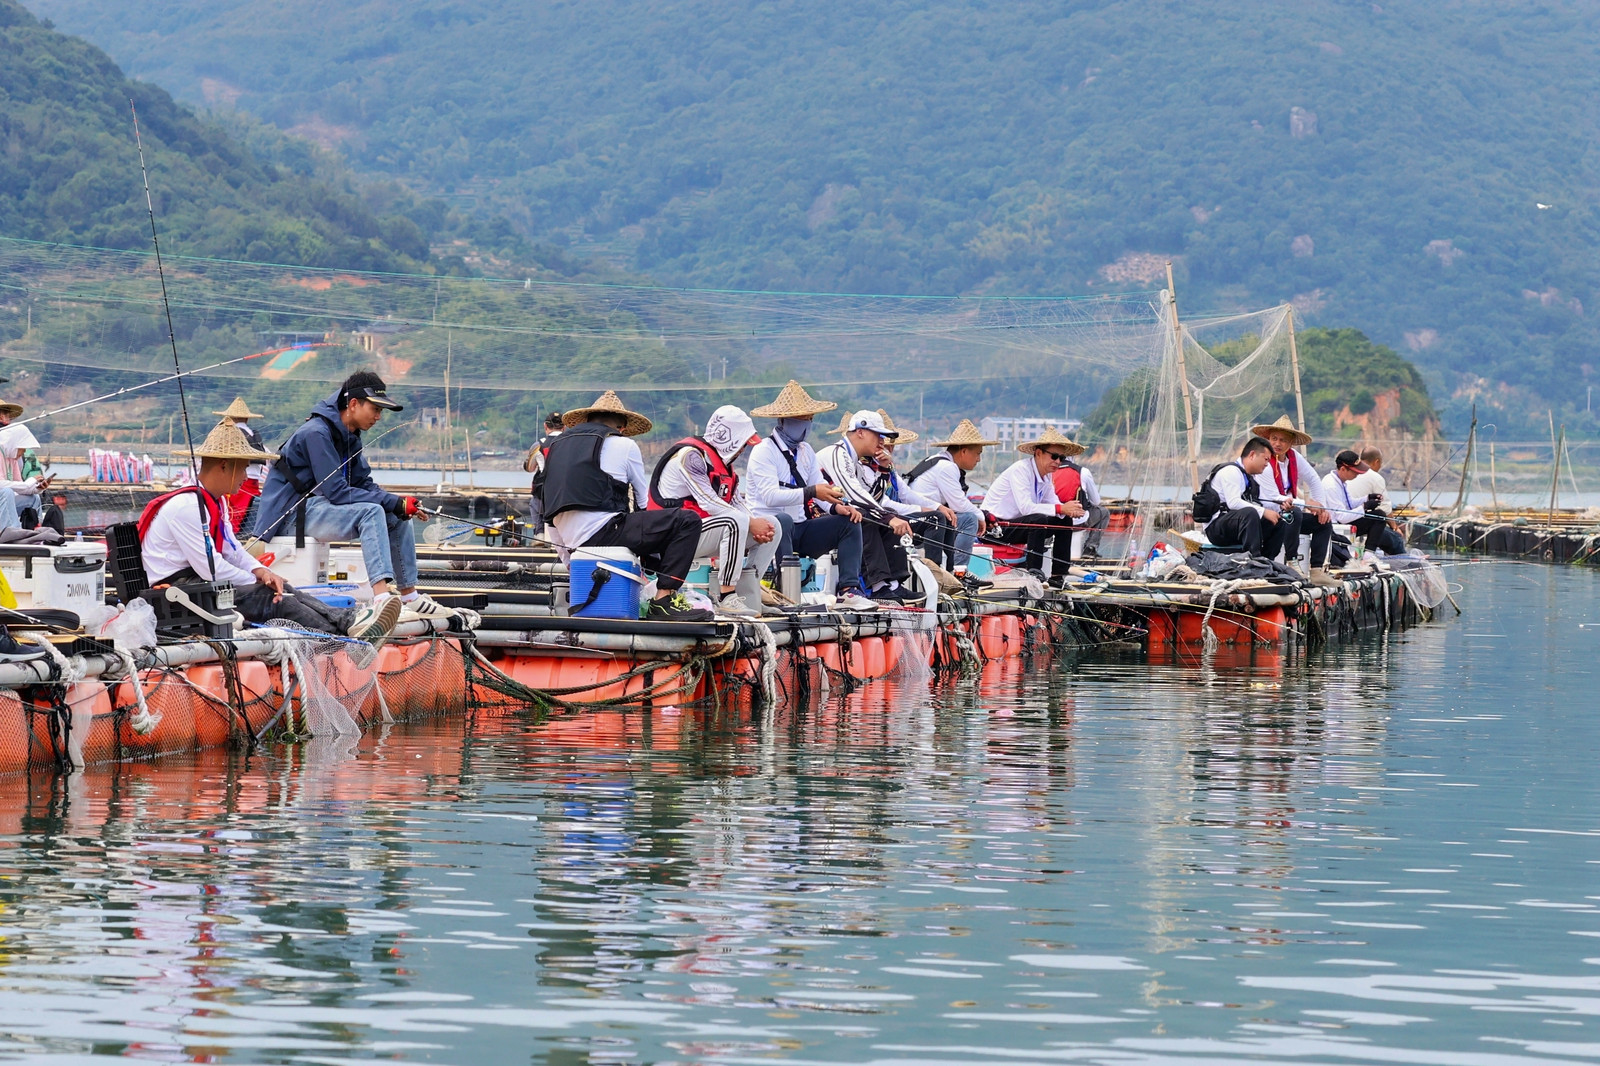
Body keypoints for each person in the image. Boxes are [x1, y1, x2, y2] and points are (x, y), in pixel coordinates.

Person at [140, 420, 401, 641]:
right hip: (178, 590)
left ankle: (347, 620)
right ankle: (344, 638)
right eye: (243, 467)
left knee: (282, 585)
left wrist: (263, 572)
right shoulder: (187, 507)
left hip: (200, 582)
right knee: (274, 599)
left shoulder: (214, 502)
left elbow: (232, 550)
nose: (246, 475)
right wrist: (257, 581)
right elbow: (212, 568)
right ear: (223, 465)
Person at [252, 370, 452, 622]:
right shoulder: (316, 433)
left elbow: (363, 484)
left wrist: (400, 504)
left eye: (381, 411)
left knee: (396, 515)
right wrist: (390, 501)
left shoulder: (350, 437)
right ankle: (381, 597)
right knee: (372, 511)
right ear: (354, 404)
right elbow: (336, 492)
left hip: (316, 510)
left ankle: (409, 595)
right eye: (376, 409)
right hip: (291, 517)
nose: (379, 417)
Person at [542, 390, 713, 622]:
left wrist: (571, 561)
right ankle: (663, 600)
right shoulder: (625, 445)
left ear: (588, 420)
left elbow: (549, 516)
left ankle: (658, 585)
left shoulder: (557, 448)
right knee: (686, 521)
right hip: (606, 532)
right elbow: (643, 503)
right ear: (621, 427)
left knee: (644, 531)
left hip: (572, 541)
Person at [745, 381, 874, 610]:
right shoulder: (763, 451)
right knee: (782, 520)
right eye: (801, 420)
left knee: (849, 522)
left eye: (810, 420)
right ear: (783, 421)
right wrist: (812, 492)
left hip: (800, 528)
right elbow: (770, 497)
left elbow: (820, 488)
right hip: (769, 530)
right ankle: (784, 593)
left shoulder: (806, 451)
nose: (806, 425)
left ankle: (849, 590)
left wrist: (837, 507)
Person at [648, 405, 779, 617]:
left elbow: (737, 502)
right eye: (743, 443)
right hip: (674, 537)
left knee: (774, 525)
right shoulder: (690, 456)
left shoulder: (727, 468)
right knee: (734, 521)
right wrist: (750, 523)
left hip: (702, 532)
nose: (744, 449)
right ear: (729, 437)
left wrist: (758, 525)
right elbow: (709, 502)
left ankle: (749, 596)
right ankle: (727, 597)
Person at [818, 410, 940, 603]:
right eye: (877, 435)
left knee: (884, 514)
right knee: (868, 516)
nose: (882, 441)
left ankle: (891, 583)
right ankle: (877, 586)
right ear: (860, 432)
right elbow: (854, 495)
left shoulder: (854, 461)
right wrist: (889, 518)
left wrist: (884, 470)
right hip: (819, 518)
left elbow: (875, 498)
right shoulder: (836, 453)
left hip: (838, 515)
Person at [981, 426, 1084, 587]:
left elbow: (1054, 503)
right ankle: (1034, 572)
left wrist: (1071, 510)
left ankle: (1058, 575)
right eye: (1054, 456)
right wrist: (1060, 508)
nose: (1057, 462)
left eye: (1061, 458)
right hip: (994, 528)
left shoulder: (1046, 476)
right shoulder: (1021, 470)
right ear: (1038, 453)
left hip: (1017, 526)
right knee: (1038, 519)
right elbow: (1026, 508)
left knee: (1064, 522)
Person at [1250, 415, 1337, 587]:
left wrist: (1320, 507)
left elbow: (1313, 479)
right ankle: (1292, 562)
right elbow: (1275, 497)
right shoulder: (1265, 460)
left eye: (1283, 440)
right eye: (1274, 438)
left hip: (1288, 511)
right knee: (1294, 513)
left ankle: (1317, 570)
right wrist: (1310, 505)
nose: (1277, 444)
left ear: (1290, 443)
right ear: (1268, 439)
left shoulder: (1293, 457)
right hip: (1268, 514)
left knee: (1324, 522)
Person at [907, 420, 997, 586]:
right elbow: (959, 504)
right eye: (977, 453)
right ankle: (959, 571)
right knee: (969, 519)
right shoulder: (948, 467)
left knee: (957, 517)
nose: (978, 459)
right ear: (963, 451)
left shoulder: (936, 460)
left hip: (921, 517)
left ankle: (951, 568)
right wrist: (981, 516)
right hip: (922, 521)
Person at [1201, 436, 1277, 556]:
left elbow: (1265, 499)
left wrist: (1278, 508)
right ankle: (1254, 560)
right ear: (1252, 455)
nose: (1267, 464)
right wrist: (1264, 512)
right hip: (1216, 528)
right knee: (1250, 513)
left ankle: (1267, 560)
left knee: (1276, 521)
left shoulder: (1247, 477)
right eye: (1266, 459)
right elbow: (1233, 503)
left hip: (1235, 525)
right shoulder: (1231, 471)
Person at [1323, 449, 1406, 554]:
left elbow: (1350, 503)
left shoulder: (1341, 482)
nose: (1357, 474)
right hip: (1337, 527)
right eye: (1354, 471)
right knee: (1379, 518)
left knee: (1379, 516)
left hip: (1344, 521)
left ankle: (1368, 554)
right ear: (1343, 469)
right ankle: (1369, 555)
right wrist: (1364, 507)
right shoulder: (1331, 485)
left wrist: (1367, 498)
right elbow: (1341, 517)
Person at [214, 397, 268, 534]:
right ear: (247, 419)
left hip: (238, 479)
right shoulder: (254, 435)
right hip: (254, 481)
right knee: (240, 513)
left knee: (231, 514)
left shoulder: (231, 434)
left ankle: (228, 536)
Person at [1051, 443, 1111, 560]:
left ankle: (1045, 547)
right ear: (1073, 456)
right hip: (1078, 520)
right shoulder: (1082, 472)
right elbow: (1096, 501)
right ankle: (1090, 548)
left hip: (1053, 521)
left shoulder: (1048, 472)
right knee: (1104, 513)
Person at [0, 399, 46, 531]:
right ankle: (13, 531)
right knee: (7, 492)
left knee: (34, 498)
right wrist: (28, 483)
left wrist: (35, 488)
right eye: (22, 447)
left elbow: (19, 487)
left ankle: (35, 529)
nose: (24, 451)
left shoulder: (12, 457)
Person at [523, 410, 565, 532]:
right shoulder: (571, 443)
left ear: (545, 426)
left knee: (535, 505)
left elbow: (529, 468)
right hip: (566, 491)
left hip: (544, 492)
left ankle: (539, 534)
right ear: (564, 427)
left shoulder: (539, 445)